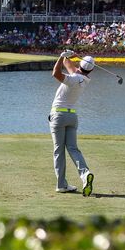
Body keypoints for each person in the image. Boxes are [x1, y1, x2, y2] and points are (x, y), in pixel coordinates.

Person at [48, 49, 95, 196]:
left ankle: (61, 185)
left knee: (58, 151)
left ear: (80, 65)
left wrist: (60, 57)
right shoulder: (84, 79)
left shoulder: (73, 78)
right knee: (73, 149)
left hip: (58, 116)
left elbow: (55, 73)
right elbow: (70, 66)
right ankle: (85, 174)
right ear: (91, 70)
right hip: (72, 118)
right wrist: (67, 56)